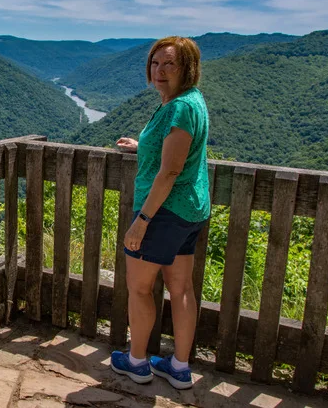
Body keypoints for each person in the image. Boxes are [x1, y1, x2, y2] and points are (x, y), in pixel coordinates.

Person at [109, 36, 210, 390]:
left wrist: (142, 221)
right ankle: (179, 368)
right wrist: (144, 147)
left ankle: (137, 362)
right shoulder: (192, 102)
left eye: (170, 64)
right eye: (155, 63)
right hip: (190, 211)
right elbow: (174, 152)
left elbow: (170, 171)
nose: (160, 71)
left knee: (139, 289)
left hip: (164, 212)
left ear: (188, 69)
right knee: (180, 288)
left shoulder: (180, 107)